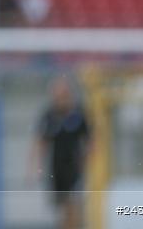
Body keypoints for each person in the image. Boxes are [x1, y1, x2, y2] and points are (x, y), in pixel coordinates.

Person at [29, 76, 92, 229]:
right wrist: (35, 167)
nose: (59, 99)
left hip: (75, 168)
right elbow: (40, 142)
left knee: (73, 206)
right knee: (62, 208)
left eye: (63, 94)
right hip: (56, 169)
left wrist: (86, 162)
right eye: (56, 95)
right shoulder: (49, 115)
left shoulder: (78, 113)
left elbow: (91, 141)